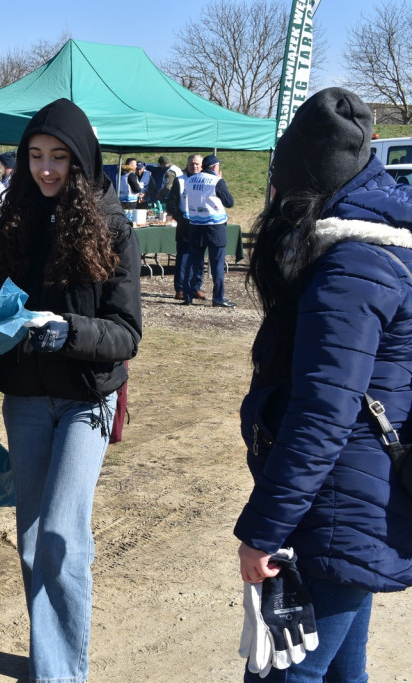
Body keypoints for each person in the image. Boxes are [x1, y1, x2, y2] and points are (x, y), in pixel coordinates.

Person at [0, 98, 142, 682]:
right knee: (31, 540)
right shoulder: (13, 221)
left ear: (81, 159)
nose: (46, 169)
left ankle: (60, 675)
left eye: (59, 157)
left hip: (86, 399)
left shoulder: (114, 227)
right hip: (24, 398)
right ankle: (53, 657)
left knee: (63, 533)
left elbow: (125, 334)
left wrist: (66, 331)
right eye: (36, 156)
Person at [235, 87, 412, 682]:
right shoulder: (376, 250)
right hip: (352, 501)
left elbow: (321, 413)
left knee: (284, 675)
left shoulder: (353, 268)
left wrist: (264, 531)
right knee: (342, 674)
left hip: (335, 509)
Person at [181, 154, 235, 307]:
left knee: (193, 262)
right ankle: (218, 297)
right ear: (214, 167)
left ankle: (188, 295)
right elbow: (229, 202)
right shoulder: (217, 180)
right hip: (215, 226)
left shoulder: (189, 180)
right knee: (217, 264)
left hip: (195, 224)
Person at [164, 154, 204, 300]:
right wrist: (181, 219)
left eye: (198, 164)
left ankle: (196, 287)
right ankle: (180, 288)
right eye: (192, 164)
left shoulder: (205, 180)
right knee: (183, 258)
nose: (195, 166)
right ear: (187, 165)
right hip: (185, 224)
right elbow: (172, 203)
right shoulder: (180, 180)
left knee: (199, 258)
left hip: (201, 223)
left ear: (202, 166)